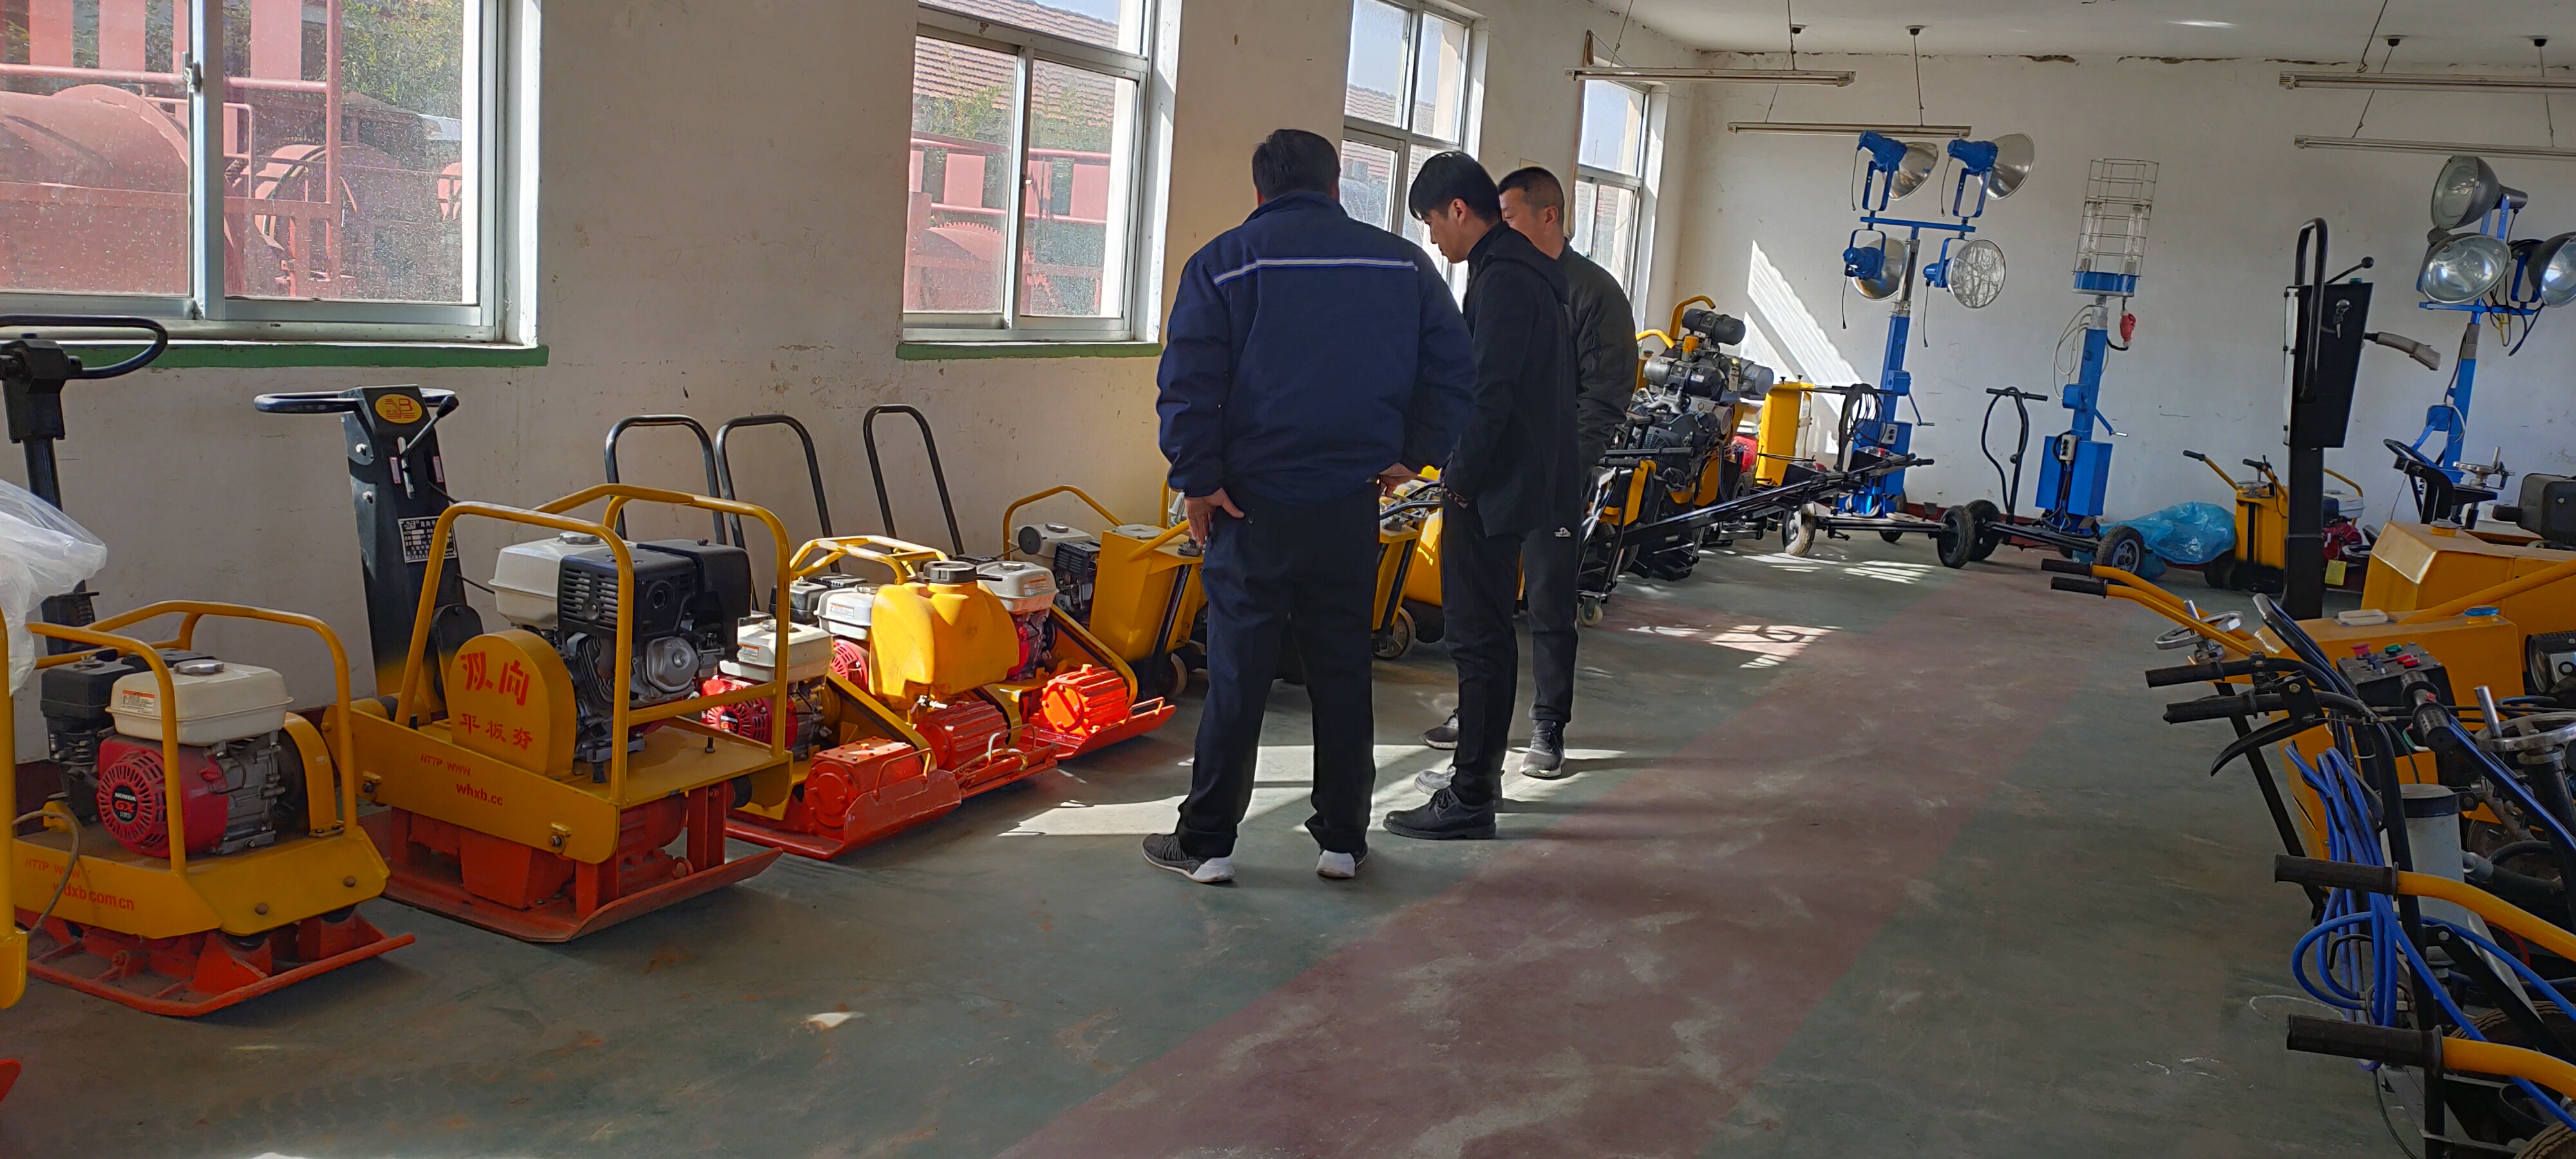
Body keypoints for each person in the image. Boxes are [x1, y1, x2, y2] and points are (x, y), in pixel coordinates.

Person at [1144, 127, 1473, 884]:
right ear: (1334, 187)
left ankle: (1208, 844)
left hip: (1247, 508)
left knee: (1237, 678)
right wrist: (1411, 454)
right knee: (1341, 670)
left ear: (1259, 190)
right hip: (1347, 505)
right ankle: (1342, 842)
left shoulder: (1224, 262)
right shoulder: (1401, 264)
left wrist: (1198, 478)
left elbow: (1188, 381)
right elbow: (1455, 370)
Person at [1416, 165, 1638, 777]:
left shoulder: (1583, 290)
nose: (1503, 226)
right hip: (1505, 471)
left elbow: (1600, 394)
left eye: (1511, 217)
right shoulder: (1500, 275)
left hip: (1548, 473)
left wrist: (1563, 468)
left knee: (1546, 601)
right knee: (1486, 614)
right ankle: (1478, 726)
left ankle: (1547, 723)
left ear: (1549, 215)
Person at [1385, 152, 1580, 842]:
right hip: (1516, 480)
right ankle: (1480, 779)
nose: (1434, 238)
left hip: (1491, 489)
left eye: (1432, 223)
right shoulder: (1524, 271)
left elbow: (1489, 395)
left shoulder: (1502, 280)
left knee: (1477, 642)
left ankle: (1470, 795)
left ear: (1459, 210)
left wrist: (1457, 482)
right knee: (1490, 638)